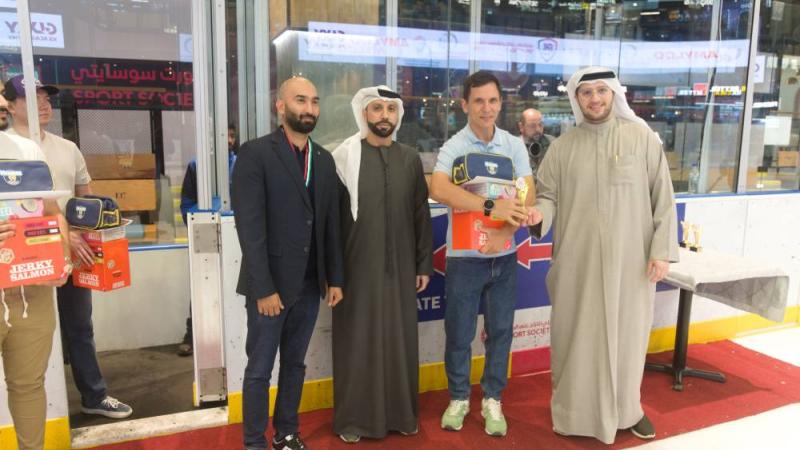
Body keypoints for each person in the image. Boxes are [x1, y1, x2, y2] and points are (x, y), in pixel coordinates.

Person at [528, 66, 679, 444]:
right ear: (576, 99)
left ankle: (629, 411)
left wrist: (661, 252)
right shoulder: (562, 148)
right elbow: (547, 197)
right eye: (586, 92)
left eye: (601, 90)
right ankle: (574, 415)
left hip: (631, 266)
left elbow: (663, 198)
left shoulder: (641, 138)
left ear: (613, 93)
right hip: (577, 265)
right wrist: (537, 215)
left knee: (628, 340)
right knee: (576, 341)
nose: (594, 98)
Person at [3, 75, 133, 420]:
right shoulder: (5, 149)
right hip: (23, 261)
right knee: (27, 334)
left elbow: (84, 201)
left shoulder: (68, 149)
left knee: (79, 326)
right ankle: (41, 407)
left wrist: (76, 234)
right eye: (32, 99)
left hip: (71, 255)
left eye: (46, 98)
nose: (43, 105)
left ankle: (94, 395)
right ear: (10, 106)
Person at [232, 76, 344, 450]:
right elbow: (250, 229)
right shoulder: (255, 154)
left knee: (295, 365)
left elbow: (329, 224)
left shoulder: (324, 160)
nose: (309, 108)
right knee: (260, 369)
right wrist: (264, 288)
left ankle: (286, 433)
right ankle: (254, 442)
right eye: (300, 100)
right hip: (271, 287)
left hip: (310, 286)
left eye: (314, 101)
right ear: (280, 107)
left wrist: (334, 278)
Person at [429, 71, 534, 437]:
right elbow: (438, 188)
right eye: (478, 101)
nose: (486, 108)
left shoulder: (513, 146)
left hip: (504, 258)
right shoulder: (455, 146)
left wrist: (504, 231)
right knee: (459, 334)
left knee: (500, 332)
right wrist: (490, 206)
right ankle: (459, 397)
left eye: (492, 101)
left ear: (500, 104)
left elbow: (527, 194)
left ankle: (492, 398)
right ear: (465, 105)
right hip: (464, 260)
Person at [330, 86, 433, 443]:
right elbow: (331, 223)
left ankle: (402, 416)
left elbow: (421, 214)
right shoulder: (343, 158)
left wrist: (423, 264)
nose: (384, 115)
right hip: (355, 273)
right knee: (357, 344)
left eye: (391, 109)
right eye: (377, 108)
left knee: (400, 342)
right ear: (364, 113)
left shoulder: (409, 159)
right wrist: (334, 275)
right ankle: (354, 421)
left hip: (402, 270)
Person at [0, 127, 71, 450]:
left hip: (31, 289)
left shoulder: (25, 150)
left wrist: (62, 259)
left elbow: (53, 213)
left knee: (28, 385)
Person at [177, 123, 238, 356]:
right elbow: (186, 204)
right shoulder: (197, 166)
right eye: (225, 135)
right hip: (206, 233)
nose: (229, 140)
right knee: (202, 284)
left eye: (232, 136)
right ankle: (193, 335)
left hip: (236, 235)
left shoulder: (242, 164)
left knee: (234, 284)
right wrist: (200, 223)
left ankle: (231, 336)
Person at [517, 108, 555, 179]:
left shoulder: (552, 143)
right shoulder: (514, 147)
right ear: (521, 127)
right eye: (532, 126)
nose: (538, 129)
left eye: (540, 125)